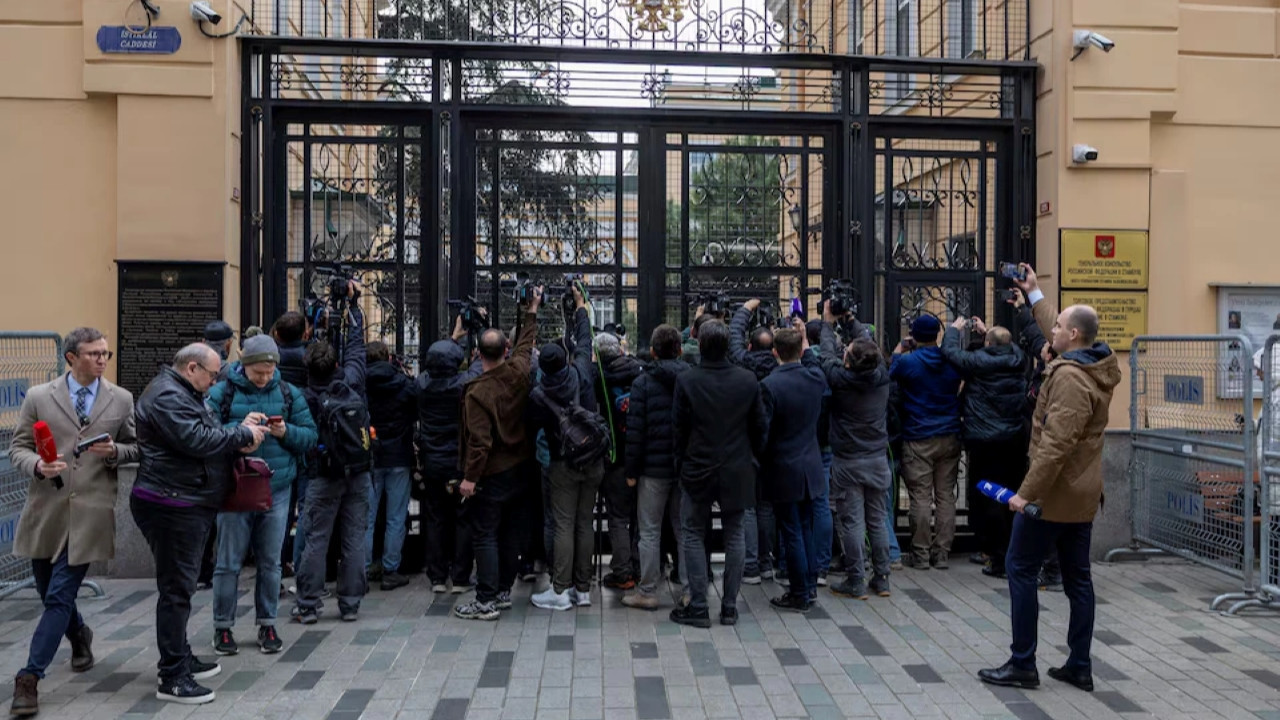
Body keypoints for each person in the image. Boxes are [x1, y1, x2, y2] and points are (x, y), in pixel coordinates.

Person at [979, 264, 1120, 693]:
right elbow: (1053, 327)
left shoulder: (1073, 382)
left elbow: (1055, 447)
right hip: (1080, 496)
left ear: (1073, 336)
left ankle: (1023, 663)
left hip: (1053, 498)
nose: (1051, 330)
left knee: (1020, 568)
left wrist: (1025, 496)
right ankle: (1078, 664)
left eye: (1059, 326)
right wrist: (1035, 294)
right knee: (1078, 578)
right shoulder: (1092, 360)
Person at [5, 328, 140, 716]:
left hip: (92, 513)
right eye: (93, 353)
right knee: (48, 592)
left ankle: (29, 678)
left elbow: (137, 447)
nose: (101, 359)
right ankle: (79, 635)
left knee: (60, 595)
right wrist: (38, 466)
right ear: (71, 357)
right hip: (46, 511)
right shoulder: (38, 397)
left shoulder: (121, 398)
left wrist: (115, 451)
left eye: (105, 353)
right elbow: (18, 446)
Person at [132, 343, 268, 705]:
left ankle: (180, 656)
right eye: (212, 374)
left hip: (184, 499)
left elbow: (203, 432)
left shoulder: (181, 391)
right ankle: (172, 676)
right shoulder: (167, 395)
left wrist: (239, 428)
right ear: (192, 368)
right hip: (171, 503)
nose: (215, 381)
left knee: (182, 587)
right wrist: (240, 436)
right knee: (176, 590)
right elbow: (196, 439)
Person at [205, 335, 317, 656]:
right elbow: (203, 433)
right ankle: (222, 627)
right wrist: (238, 429)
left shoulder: (288, 393)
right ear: (244, 365)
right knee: (228, 562)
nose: (264, 378)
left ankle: (267, 623)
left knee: (271, 562)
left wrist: (286, 432)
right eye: (258, 372)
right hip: (234, 487)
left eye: (269, 371)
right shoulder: (222, 392)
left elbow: (310, 437)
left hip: (276, 488)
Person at [670, 320, 767, 628]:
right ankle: (729, 607)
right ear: (728, 346)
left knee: (694, 532)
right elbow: (760, 427)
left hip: (697, 466)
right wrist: (753, 457)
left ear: (699, 345)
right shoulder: (747, 380)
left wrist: (681, 463)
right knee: (735, 533)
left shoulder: (687, 380)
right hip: (737, 467)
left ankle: (698, 605)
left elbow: (678, 430)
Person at [455, 288, 542, 620]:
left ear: (477, 353)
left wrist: (468, 479)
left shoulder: (477, 394)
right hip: (522, 467)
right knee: (511, 533)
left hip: (492, 473)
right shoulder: (519, 372)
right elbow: (526, 345)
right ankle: (504, 589)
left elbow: (480, 443)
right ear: (504, 350)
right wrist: (531, 309)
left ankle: (486, 598)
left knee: (486, 533)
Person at [292, 289, 369, 624]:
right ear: (336, 365)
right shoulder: (351, 382)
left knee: (316, 537)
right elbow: (356, 352)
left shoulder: (304, 396)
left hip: (322, 474)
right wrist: (354, 311)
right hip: (359, 471)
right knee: (354, 539)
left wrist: (312, 323)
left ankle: (308, 603)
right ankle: (350, 603)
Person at [529, 290, 606, 610]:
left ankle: (560, 591)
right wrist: (580, 308)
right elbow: (585, 338)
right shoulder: (583, 374)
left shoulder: (537, 394)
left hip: (562, 464)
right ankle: (583, 590)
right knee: (584, 522)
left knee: (563, 524)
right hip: (594, 457)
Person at [940, 317, 1028, 579]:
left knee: (989, 496)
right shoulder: (1018, 359)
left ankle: (995, 555)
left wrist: (954, 331)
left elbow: (950, 353)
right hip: (1013, 440)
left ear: (987, 344)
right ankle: (1011, 551)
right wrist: (988, 332)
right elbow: (1007, 344)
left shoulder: (978, 362)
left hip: (985, 441)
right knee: (1011, 494)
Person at [815, 311, 894, 601]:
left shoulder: (840, 378)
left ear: (848, 360)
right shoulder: (882, 375)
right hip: (876, 457)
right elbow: (866, 343)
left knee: (851, 521)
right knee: (877, 518)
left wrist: (827, 323)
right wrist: (851, 320)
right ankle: (882, 577)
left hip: (848, 460)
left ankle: (856, 578)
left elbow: (825, 355)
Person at [760, 324, 828, 613]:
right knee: (805, 527)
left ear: (774, 352)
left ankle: (799, 592)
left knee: (791, 531)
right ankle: (810, 585)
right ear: (801, 350)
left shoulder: (770, 385)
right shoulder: (816, 378)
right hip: (810, 463)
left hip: (783, 466)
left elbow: (763, 431)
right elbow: (812, 360)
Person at [622, 325, 689, 610]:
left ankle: (648, 590)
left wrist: (631, 471)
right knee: (685, 529)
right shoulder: (691, 378)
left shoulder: (643, 383)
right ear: (680, 350)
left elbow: (635, 431)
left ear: (652, 352)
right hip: (685, 466)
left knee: (649, 531)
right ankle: (690, 589)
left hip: (651, 469)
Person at [416, 316, 483, 593]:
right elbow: (479, 366)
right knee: (463, 517)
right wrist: (475, 338)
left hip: (432, 462)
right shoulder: (463, 386)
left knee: (435, 517)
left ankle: (436, 576)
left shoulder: (420, 384)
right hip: (458, 463)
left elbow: (439, 365)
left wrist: (453, 338)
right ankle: (461, 576)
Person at [890, 314, 963, 569]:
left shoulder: (909, 362)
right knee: (945, 496)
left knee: (920, 497)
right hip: (950, 434)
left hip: (918, 435)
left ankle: (920, 555)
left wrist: (899, 349)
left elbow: (890, 374)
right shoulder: (952, 361)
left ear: (915, 335)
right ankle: (942, 554)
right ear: (937, 335)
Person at [729, 300, 781, 588]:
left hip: (746, 446)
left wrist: (744, 311)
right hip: (773, 447)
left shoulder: (743, 364)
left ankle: (749, 566)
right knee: (766, 507)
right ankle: (765, 562)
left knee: (748, 506)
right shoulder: (781, 367)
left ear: (750, 347)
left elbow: (734, 340)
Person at [594, 320, 646, 591]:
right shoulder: (642, 374)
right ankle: (640, 567)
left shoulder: (596, 381)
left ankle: (623, 572)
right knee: (640, 518)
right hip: (642, 458)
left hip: (614, 459)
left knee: (618, 517)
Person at [363, 340, 417, 591]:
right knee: (396, 516)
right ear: (388, 358)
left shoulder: (359, 383)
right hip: (398, 455)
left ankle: (361, 568)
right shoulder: (403, 383)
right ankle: (390, 569)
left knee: (366, 517)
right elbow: (415, 411)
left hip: (370, 455)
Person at [271, 310, 311, 578]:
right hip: (303, 440)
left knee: (281, 508)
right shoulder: (309, 357)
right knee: (306, 506)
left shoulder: (271, 361)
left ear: (276, 334)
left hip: (278, 439)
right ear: (305, 333)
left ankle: (279, 559)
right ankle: (302, 558)